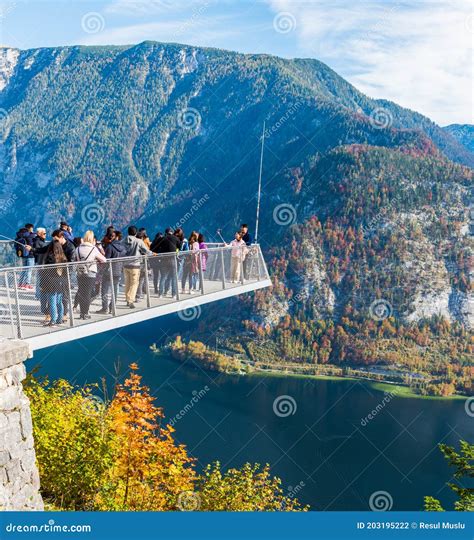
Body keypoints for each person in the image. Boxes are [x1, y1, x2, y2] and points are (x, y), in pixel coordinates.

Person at [73, 230, 106, 319]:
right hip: (90, 273)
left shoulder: (78, 248)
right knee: (88, 293)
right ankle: (85, 313)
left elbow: (75, 259)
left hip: (80, 272)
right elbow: (104, 259)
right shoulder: (93, 249)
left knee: (81, 292)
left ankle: (81, 313)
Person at [97, 230, 126, 314]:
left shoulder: (110, 247)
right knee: (115, 290)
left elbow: (106, 260)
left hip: (108, 272)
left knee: (104, 290)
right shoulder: (123, 247)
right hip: (118, 271)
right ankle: (112, 307)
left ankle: (105, 308)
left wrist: (102, 270)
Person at [123, 226, 153, 308]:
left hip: (125, 265)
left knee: (127, 283)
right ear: (135, 233)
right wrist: (152, 253)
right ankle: (130, 301)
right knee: (134, 283)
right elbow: (146, 251)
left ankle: (127, 299)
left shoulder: (123, 241)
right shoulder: (139, 241)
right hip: (135, 265)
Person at [42, 239, 68, 327]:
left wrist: (42, 284)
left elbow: (45, 271)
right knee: (59, 302)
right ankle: (59, 319)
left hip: (51, 282)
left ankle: (52, 321)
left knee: (52, 302)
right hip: (61, 282)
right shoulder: (63, 257)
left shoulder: (49, 257)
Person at [155, 228, 181, 298]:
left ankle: (160, 294)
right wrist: (176, 251)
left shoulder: (162, 238)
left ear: (166, 233)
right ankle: (174, 294)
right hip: (173, 259)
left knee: (163, 277)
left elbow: (156, 247)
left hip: (164, 259)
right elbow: (179, 247)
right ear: (172, 232)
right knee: (174, 277)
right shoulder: (176, 238)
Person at [16, 224, 35, 289]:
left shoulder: (20, 235)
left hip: (23, 255)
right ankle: (27, 284)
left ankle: (20, 283)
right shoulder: (30, 235)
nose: (33, 230)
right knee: (29, 270)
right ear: (29, 228)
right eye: (32, 228)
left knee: (24, 269)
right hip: (30, 255)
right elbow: (33, 241)